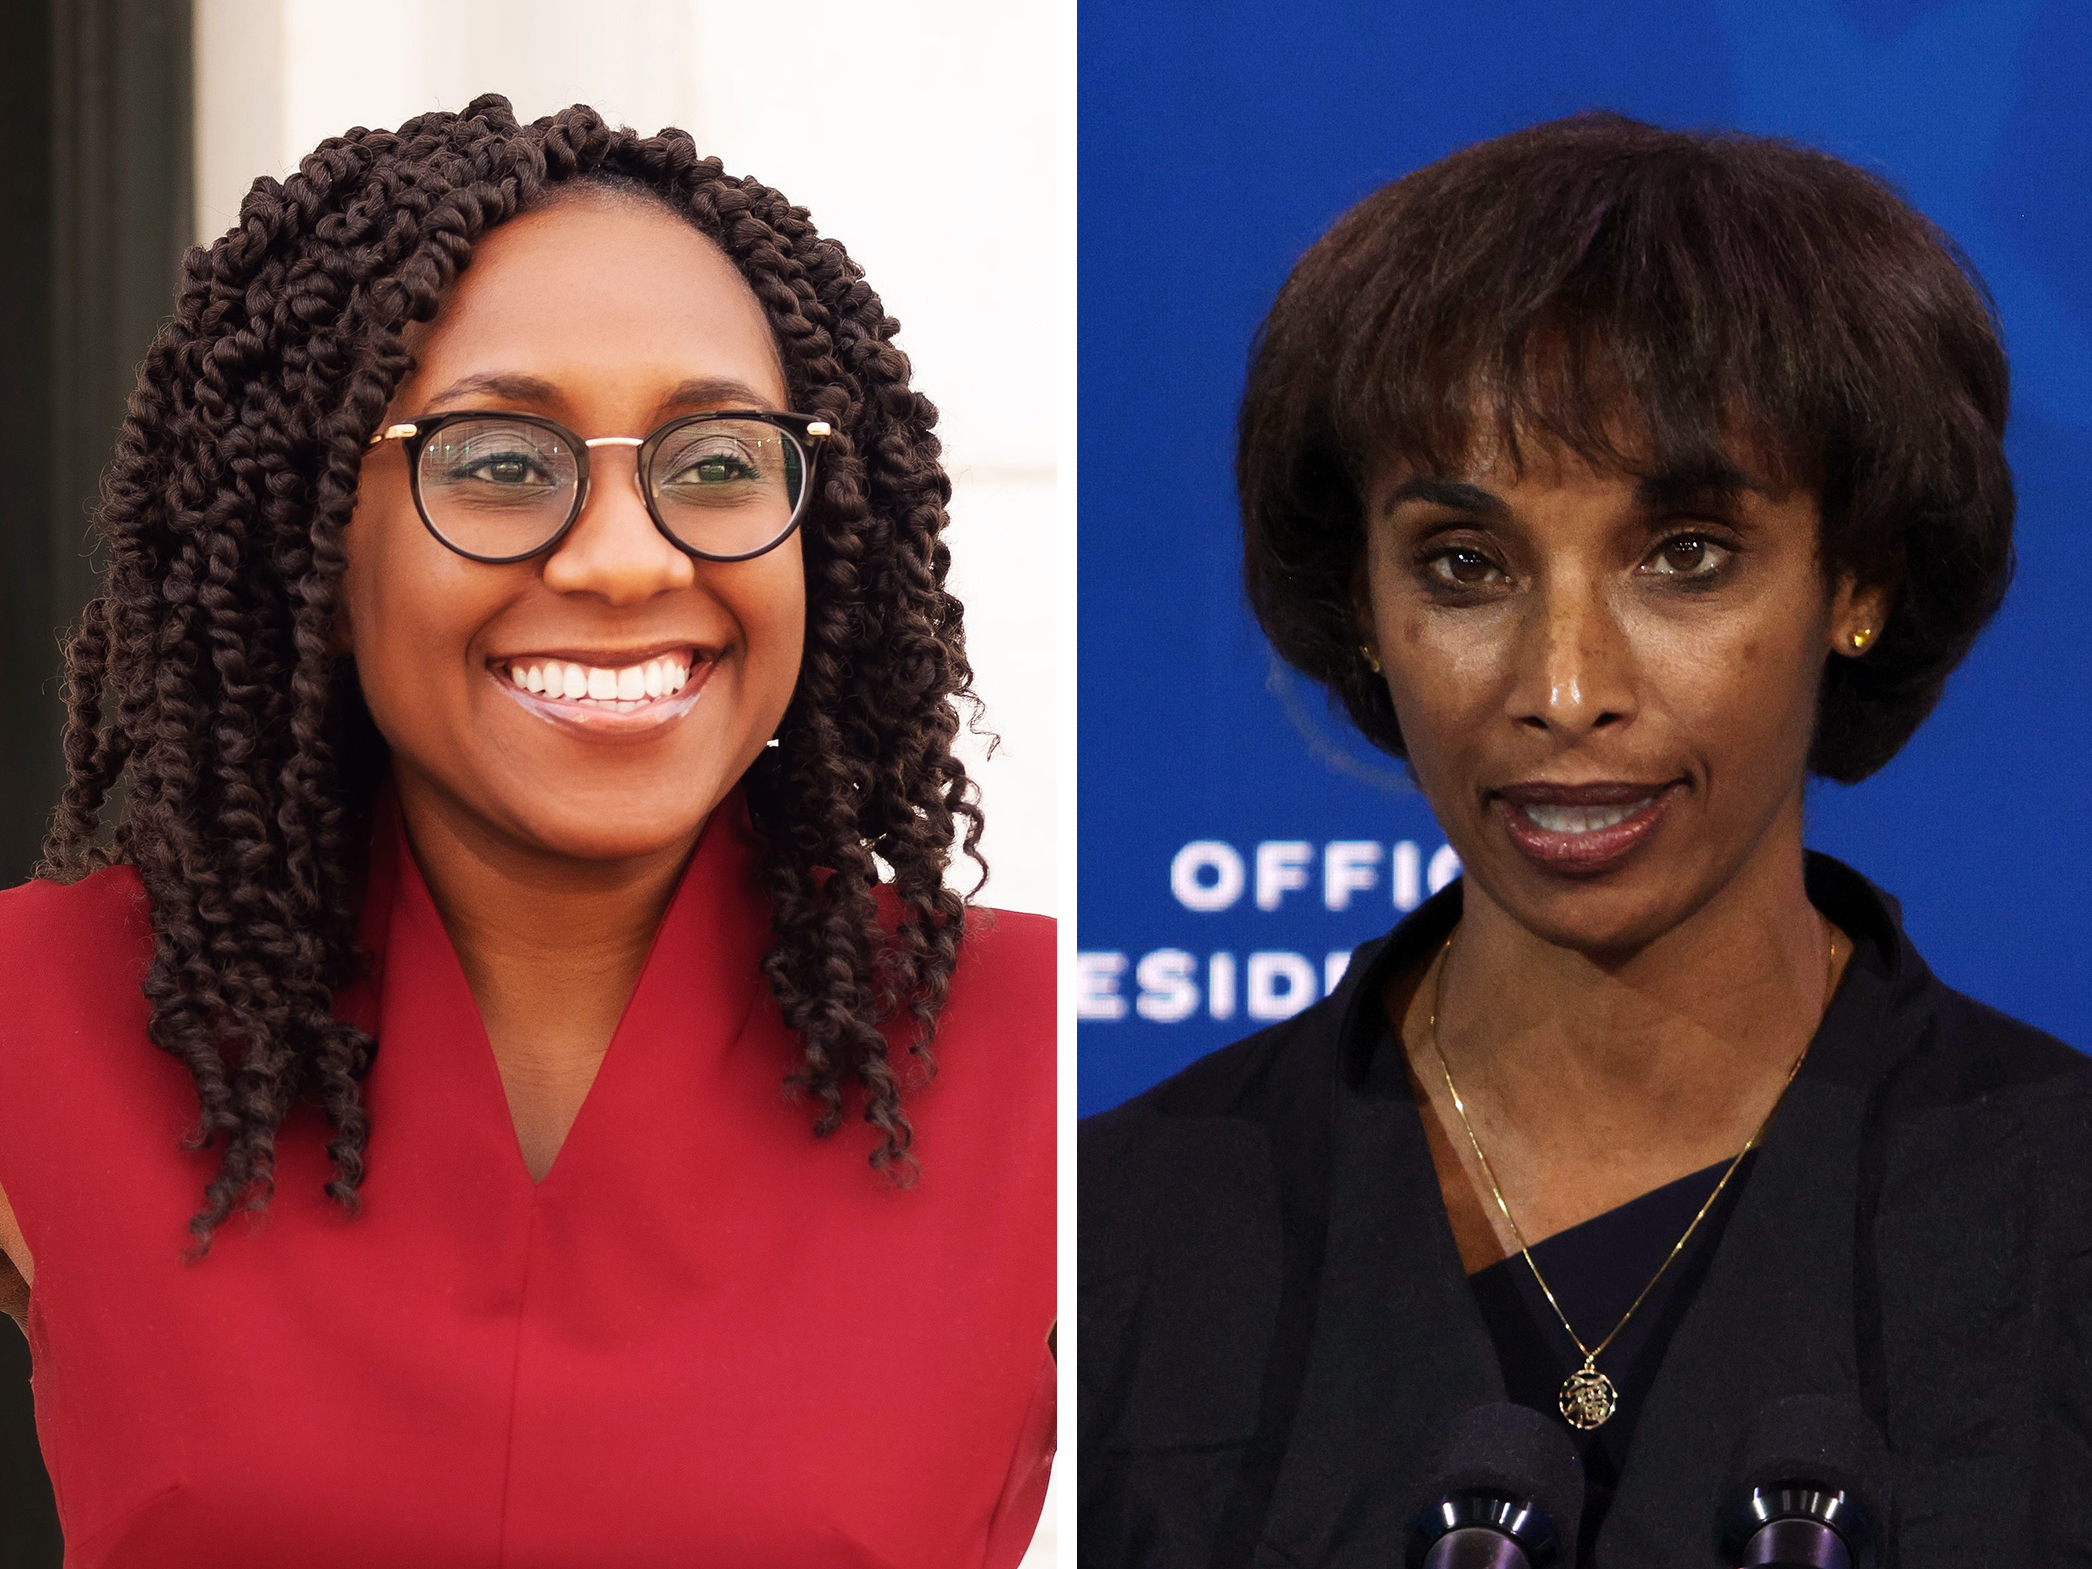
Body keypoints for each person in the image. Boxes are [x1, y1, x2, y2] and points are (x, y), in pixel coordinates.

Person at [0, 97, 1053, 1568]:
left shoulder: (1040, 1066)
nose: (627, 559)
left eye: (716, 463)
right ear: (315, 526)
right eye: (498, 463)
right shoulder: (36, 1019)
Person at [1080, 112, 2092, 1566]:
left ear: (1857, 581)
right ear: (1362, 604)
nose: (1563, 689)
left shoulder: (2061, 1211)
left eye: (1685, 556)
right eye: (1465, 564)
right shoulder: (1112, 1237)